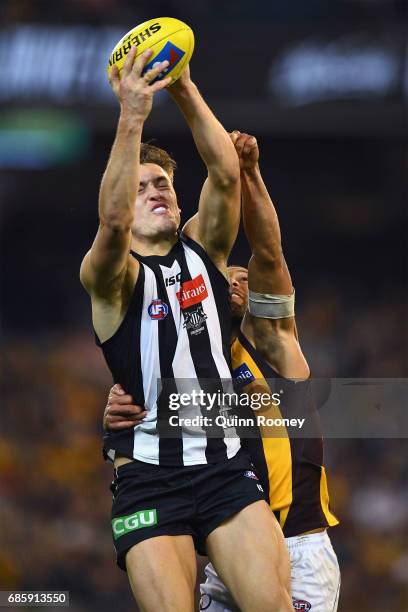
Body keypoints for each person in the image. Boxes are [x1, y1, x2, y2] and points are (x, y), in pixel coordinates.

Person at [81, 46, 292, 612]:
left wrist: (183, 86)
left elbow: (227, 174)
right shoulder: (110, 277)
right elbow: (112, 220)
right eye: (144, 184)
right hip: (150, 478)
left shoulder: (205, 252)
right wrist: (131, 114)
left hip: (224, 467)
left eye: (165, 183)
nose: (159, 191)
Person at [105, 130, 341, 611]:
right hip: (226, 546)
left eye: (243, 278)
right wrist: (112, 412)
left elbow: (269, 253)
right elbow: (144, 425)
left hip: (296, 544)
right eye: (225, 277)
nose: (236, 282)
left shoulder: (275, 349)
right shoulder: (178, 374)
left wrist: (250, 174)